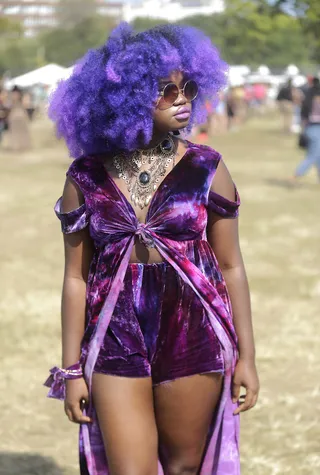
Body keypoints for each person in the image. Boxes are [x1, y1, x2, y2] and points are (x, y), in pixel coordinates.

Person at [45, 23, 259, 475]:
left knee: (183, 468)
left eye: (189, 87)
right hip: (116, 328)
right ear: (125, 97)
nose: (182, 98)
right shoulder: (84, 177)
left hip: (193, 324)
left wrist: (248, 358)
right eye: (165, 90)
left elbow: (231, 266)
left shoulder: (207, 167)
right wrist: (69, 370)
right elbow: (75, 277)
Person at [290, 77, 320, 183]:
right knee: (313, 155)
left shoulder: (307, 100)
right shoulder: (316, 103)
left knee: (317, 154)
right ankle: (296, 175)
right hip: (316, 129)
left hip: (310, 128)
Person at [7, 85, 32, 151]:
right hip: (14, 116)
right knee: (14, 132)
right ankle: (16, 146)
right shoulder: (11, 100)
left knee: (22, 132)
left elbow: (25, 107)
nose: (15, 95)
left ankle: (23, 145)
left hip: (20, 116)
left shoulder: (22, 99)